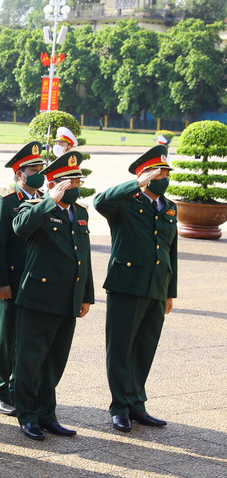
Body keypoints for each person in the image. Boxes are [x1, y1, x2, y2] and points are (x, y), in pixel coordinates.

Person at [93, 145, 177, 433]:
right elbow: (100, 201)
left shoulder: (169, 207)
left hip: (156, 286)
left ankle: (136, 404)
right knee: (121, 348)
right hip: (126, 285)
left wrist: (170, 291)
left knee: (144, 347)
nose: (163, 178)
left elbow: (170, 251)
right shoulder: (125, 203)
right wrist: (135, 184)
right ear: (144, 176)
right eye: (158, 173)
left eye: (166, 173)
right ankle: (119, 407)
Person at [11, 151, 94, 441]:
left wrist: (86, 295)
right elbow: (21, 228)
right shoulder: (35, 207)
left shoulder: (80, 213)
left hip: (68, 298)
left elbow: (83, 256)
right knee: (31, 359)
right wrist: (49, 201)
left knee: (55, 360)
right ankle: (28, 415)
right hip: (39, 297)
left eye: (77, 182)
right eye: (69, 183)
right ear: (54, 184)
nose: (75, 187)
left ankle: (47, 413)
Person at [0, 141, 45, 417]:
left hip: (35, 282)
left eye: (41, 168)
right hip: (11, 280)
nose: (39, 173)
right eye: (33, 169)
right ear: (19, 173)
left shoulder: (44, 200)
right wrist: (0, 282)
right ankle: (0, 388)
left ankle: (18, 386)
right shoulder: (5, 201)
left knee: (27, 338)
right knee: (6, 337)